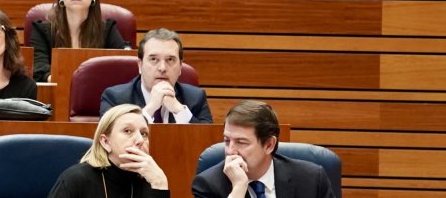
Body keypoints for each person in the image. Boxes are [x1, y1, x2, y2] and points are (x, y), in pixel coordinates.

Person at [192, 100, 335, 198]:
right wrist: (238, 189)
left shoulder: (311, 179)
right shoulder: (208, 185)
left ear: (269, 145)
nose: (230, 151)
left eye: (241, 142)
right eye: (227, 140)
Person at [47, 103, 169, 198]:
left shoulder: (151, 181)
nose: (139, 140)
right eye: (128, 131)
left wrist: (160, 184)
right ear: (105, 142)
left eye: (144, 133)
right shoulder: (76, 180)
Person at [31, 0, 127, 82]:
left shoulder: (108, 30)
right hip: (55, 95)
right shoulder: (42, 30)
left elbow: (121, 70)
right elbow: (38, 70)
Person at [100, 27, 213, 124]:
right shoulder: (115, 98)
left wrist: (179, 111)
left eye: (170, 59)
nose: (162, 68)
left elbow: (208, 143)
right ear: (140, 65)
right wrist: (150, 108)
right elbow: (108, 141)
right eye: (154, 59)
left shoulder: (196, 98)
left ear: (180, 67)